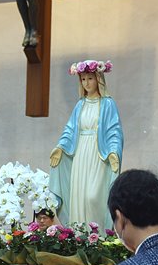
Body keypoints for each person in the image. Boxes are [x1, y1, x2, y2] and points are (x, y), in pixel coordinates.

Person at [48, 59, 123, 228]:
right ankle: (80, 235)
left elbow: (114, 130)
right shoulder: (80, 104)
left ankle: (99, 235)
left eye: (90, 78)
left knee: (93, 196)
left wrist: (113, 151)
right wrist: (60, 147)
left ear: (98, 79)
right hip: (81, 152)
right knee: (79, 196)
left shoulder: (108, 104)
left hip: (99, 154)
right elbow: (70, 129)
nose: (87, 83)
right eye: (83, 79)